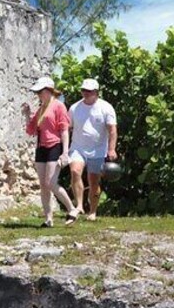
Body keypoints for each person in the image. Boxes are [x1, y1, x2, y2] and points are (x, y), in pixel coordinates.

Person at [22, 77, 79, 227]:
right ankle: (48, 219)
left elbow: (64, 130)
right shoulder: (41, 109)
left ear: (48, 90)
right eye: (37, 92)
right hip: (41, 148)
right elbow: (31, 130)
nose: (38, 95)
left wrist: (65, 152)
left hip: (54, 146)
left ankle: (72, 209)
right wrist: (27, 115)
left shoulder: (59, 106)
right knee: (43, 184)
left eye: (40, 92)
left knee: (51, 183)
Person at [68, 78, 118, 221]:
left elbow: (112, 130)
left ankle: (93, 211)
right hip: (78, 146)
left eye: (89, 91)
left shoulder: (106, 108)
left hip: (97, 149)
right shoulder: (74, 108)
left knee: (94, 181)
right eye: (83, 90)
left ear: (96, 92)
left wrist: (111, 149)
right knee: (75, 171)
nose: (86, 93)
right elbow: (67, 127)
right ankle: (79, 205)